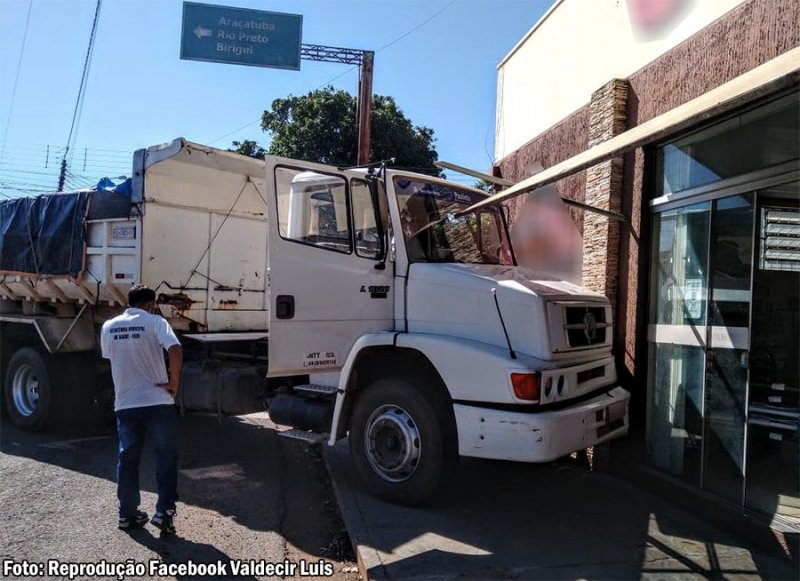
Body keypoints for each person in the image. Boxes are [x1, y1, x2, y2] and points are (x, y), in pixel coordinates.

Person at [101, 285, 183, 534]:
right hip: (158, 401)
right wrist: (174, 383)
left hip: (125, 403)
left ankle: (126, 514)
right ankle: (164, 513)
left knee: (128, 459)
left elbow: (110, 357)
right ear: (150, 304)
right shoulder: (155, 322)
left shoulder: (109, 326)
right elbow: (176, 349)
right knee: (165, 456)